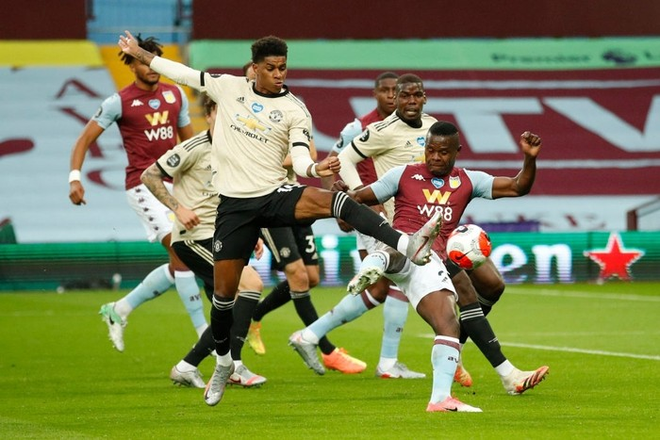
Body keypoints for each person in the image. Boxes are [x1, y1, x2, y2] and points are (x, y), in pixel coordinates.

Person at [118, 31, 443, 407]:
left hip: (274, 196)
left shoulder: (295, 108)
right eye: (270, 68)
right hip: (234, 207)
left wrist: (315, 166)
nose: (278, 74)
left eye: (283, 67)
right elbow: (182, 73)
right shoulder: (228, 87)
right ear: (254, 69)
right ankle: (223, 362)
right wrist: (139, 52)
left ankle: (406, 242)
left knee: (337, 201)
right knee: (224, 298)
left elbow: (301, 156)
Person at [293, 123, 490, 412]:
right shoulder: (366, 127)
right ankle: (384, 358)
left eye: (417, 94)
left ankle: (318, 335)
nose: (409, 99)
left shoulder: (430, 127)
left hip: (412, 229)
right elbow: (342, 159)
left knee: (401, 290)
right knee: (398, 263)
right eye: (398, 93)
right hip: (379, 210)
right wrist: (342, 198)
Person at [347, 121, 550, 395]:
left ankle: (459, 353)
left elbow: (517, 187)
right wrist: (345, 197)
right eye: (430, 150)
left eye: (443, 152)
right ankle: (507, 374)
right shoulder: (403, 175)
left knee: (492, 285)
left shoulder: (468, 180)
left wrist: (529, 158)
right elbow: (362, 195)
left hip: (442, 254)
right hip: (409, 251)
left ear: (457, 151)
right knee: (464, 292)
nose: (435, 157)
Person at [68, 34, 205, 353]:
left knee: (180, 262)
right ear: (130, 64)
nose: (151, 66)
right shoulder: (118, 102)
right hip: (143, 186)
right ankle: (204, 335)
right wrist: (75, 178)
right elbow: (83, 140)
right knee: (182, 252)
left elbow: (191, 145)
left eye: (153, 59)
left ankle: (120, 309)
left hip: (175, 185)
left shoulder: (176, 96)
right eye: (143, 60)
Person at [295, 74, 436, 379]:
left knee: (381, 287)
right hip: (372, 212)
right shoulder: (359, 128)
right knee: (399, 277)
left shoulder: (421, 126)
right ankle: (386, 362)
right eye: (385, 91)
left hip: (397, 212)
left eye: (392, 90)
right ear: (377, 95)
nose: (389, 96)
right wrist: (344, 205)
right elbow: (334, 162)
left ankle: (310, 335)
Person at [141, 94, 266, 388]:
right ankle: (199, 365)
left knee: (228, 305)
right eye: (221, 113)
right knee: (250, 284)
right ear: (208, 114)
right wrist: (178, 208)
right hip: (195, 238)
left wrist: (253, 231)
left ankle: (221, 366)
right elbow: (150, 175)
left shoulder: (237, 150)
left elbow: (240, 193)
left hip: (225, 235)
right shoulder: (194, 147)